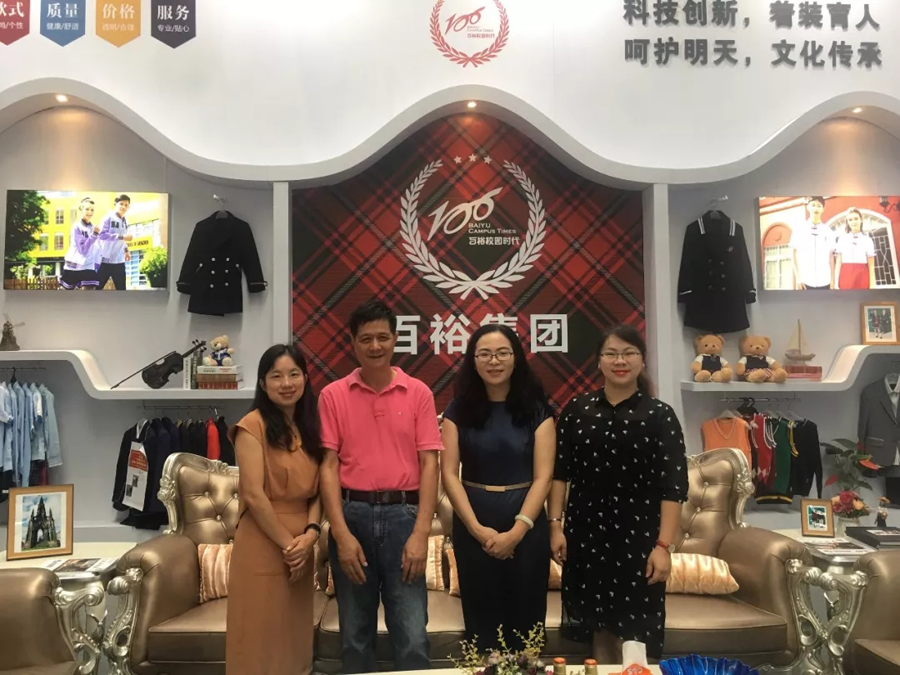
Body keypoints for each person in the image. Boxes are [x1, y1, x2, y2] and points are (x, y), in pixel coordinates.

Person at [548, 325, 688, 664]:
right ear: (599, 361)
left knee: (636, 633)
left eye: (628, 353)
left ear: (642, 360)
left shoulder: (660, 416)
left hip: (639, 539)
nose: (620, 361)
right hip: (586, 536)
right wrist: (555, 526)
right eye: (611, 354)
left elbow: (673, 488)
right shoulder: (578, 410)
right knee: (597, 629)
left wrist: (663, 547)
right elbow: (560, 474)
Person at [319, 299, 442, 673]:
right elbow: (328, 466)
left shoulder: (418, 392)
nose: (375, 346)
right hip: (351, 516)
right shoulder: (333, 395)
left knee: (412, 632)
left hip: (404, 519)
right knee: (355, 635)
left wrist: (421, 532)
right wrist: (340, 534)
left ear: (395, 339)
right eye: (366, 339)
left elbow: (430, 464)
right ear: (353, 343)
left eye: (383, 338)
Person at [440, 324, 555, 651]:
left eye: (503, 353)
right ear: (473, 361)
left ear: (516, 358)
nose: (494, 361)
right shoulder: (458, 410)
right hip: (473, 523)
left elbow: (544, 477)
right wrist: (476, 529)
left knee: (526, 626)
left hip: (527, 525)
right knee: (482, 626)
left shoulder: (538, 410)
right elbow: (448, 474)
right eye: (485, 354)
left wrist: (517, 532)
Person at [226, 344, 323, 675]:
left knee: (292, 639)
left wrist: (310, 536)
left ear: (305, 379)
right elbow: (253, 495)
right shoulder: (251, 426)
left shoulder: (311, 426)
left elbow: (319, 491)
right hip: (263, 542)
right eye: (276, 376)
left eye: (294, 374)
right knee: (258, 637)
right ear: (262, 383)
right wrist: (289, 547)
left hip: (302, 544)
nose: (286, 383)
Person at [790, 196, 836, 290]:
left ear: (823, 209)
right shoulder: (799, 229)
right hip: (805, 281)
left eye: (819, 206)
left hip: (825, 281)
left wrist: (832, 279)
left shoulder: (828, 231)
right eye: (813, 205)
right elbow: (793, 253)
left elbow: (831, 256)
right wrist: (798, 277)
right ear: (808, 207)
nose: (816, 208)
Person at [60, 197, 100, 290]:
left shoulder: (94, 227)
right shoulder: (76, 227)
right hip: (73, 265)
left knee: (89, 293)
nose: (89, 212)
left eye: (92, 210)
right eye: (87, 209)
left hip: (88, 266)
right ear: (81, 209)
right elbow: (82, 249)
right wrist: (94, 235)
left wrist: (97, 263)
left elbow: (97, 247)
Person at [95, 194, 133, 290]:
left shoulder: (125, 221)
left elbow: (122, 240)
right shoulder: (108, 218)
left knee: (122, 290)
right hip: (105, 261)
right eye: (121, 204)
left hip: (119, 261)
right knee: (96, 289)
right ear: (115, 204)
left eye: (126, 205)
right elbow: (102, 235)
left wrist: (126, 250)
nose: (123, 207)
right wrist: (121, 237)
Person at [834, 208, 876, 290]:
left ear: (861, 220)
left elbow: (871, 265)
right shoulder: (842, 239)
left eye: (856, 218)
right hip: (845, 275)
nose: (853, 222)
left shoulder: (867, 240)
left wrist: (872, 286)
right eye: (850, 220)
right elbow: (838, 262)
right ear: (847, 222)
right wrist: (836, 283)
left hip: (862, 276)